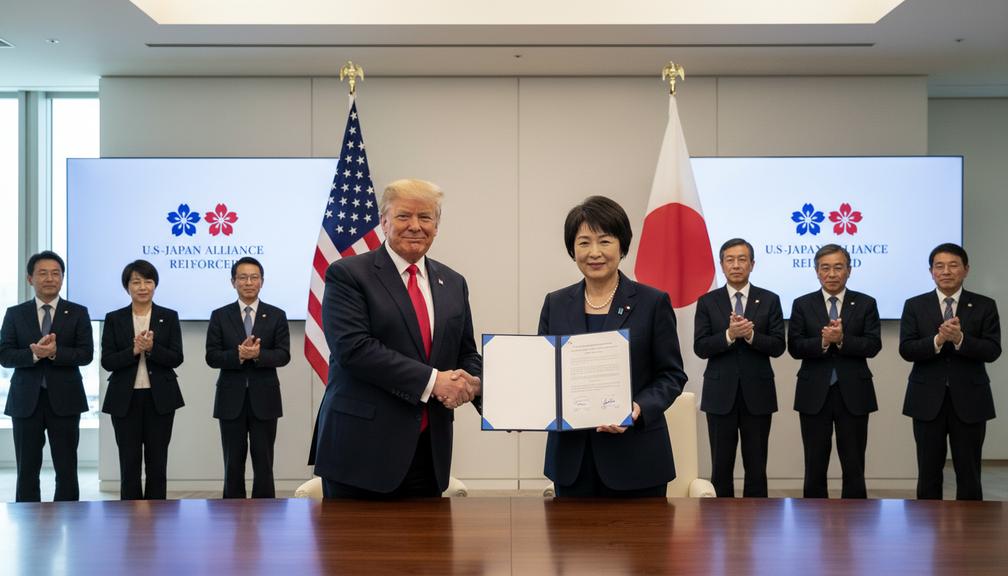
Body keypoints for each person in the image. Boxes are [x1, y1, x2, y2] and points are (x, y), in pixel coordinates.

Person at [313, 178, 482, 499]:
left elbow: (465, 352)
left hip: (428, 453)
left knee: (428, 534)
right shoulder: (348, 274)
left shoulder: (454, 282)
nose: (415, 226)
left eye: (425, 217)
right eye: (404, 216)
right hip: (361, 451)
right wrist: (434, 382)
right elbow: (353, 349)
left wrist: (474, 384)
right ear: (384, 221)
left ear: (437, 225)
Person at [538, 196, 686, 497]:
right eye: (584, 242)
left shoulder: (653, 302)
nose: (594, 252)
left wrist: (637, 408)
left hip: (637, 458)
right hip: (571, 460)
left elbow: (671, 375)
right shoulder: (555, 303)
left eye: (605, 241)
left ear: (622, 246)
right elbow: (543, 372)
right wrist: (521, 411)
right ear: (572, 249)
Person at [899, 243, 1000, 500]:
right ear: (931, 272)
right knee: (928, 473)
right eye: (939, 266)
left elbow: (992, 351)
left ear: (966, 270)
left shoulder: (984, 305)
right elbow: (907, 349)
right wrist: (938, 340)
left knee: (969, 474)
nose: (946, 271)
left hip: (970, 399)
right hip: (926, 399)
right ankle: (926, 523)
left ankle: (972, 523)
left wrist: (959, 339)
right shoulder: (914, 305)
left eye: (953, 265)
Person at [788, 244, 881, 499]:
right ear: (816, 271)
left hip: (854, 392)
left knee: (854, 464)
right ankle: (813, 514)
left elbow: (873, 345)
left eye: (838, 267)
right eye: (825, 268)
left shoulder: (865, 303)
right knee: (814, 464)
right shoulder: (802, 304)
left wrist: (842, 340)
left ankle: (856, 515)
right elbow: (794, 346)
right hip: (813, 393)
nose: (831, 274)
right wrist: (823, 341)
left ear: (849, 270)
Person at [694, 238, 785, 498]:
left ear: (752, 264)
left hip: (758, 394)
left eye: (742, 259)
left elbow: (778, 346)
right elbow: (700, 347)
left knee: (756, 467)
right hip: (719, 394)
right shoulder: (707, 301)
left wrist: (751, 336)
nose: (736, 265)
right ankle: (719, 518)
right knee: (720, 467)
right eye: (730, 260)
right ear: (722, 265)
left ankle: (757, 517)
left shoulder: (769, 300)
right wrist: (729, 335)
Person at [0, 251, 93, 502]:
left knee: (66, 468)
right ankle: (27, 520)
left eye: (55, 273)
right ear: (30, 279)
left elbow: (86, 354)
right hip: (25, 400)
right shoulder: (15, 313)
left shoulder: (78, 312)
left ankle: (69, 518)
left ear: (62, 278)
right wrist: (33, 354)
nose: (49, 278)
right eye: (42, 273)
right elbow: (4, 355)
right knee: (27, 469)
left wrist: (54, 353)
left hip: (66, 399)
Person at [206, 257, 291, 499]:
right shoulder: (220, 315)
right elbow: (211, 356)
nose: (248, 282)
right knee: (232, 462)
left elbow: (283, 355)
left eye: (254, 277)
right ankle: (231, 510)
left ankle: (265, 510)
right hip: (230, 399)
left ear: (262, 282)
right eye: (242, 277)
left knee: (264, 462)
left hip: (265, 399)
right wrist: (239, 355)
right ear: (233, 282)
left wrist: (258, 355)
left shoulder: (276, 315)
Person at [101, 260, 184, 500]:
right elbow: (108, 361)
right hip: (124, 399)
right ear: (127, 286)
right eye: (136, 282)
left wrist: (152, 348)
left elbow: (176, 358)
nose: (143, 287)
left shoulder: (168, 316)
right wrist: (135, 351)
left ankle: (157, 512)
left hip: (160, 398)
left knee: (157, 462)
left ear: (155, 285)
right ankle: (130, 512)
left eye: (148, 281)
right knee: (129, 463)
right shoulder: (114, 318)